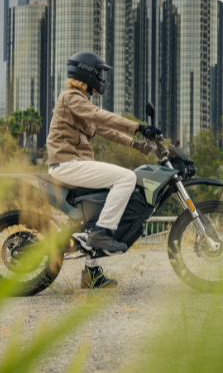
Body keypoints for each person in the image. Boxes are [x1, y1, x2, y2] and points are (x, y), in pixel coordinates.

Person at [47, 52, 161, 288]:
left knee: (98, 213)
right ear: (87, 74)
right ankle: (102, 234)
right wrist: (138, 127)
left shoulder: (80, 101)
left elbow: (103, 129)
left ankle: (92, 274)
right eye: (99, 73)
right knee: (126, 177)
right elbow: (100, 116)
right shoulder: (71, 97)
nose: (102, 78)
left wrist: (136, 144)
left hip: (74, 164)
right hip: (67, 164)